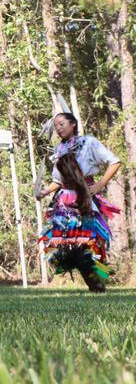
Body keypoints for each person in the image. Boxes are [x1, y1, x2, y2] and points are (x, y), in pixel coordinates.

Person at [36, 113, 123, 291]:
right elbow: (58, 181)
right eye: (56, 126)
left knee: (87, 244)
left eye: (62, 124)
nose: (58, 128)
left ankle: (97, 282)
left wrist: (100, 184)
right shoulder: (59, 150)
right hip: (65, 203)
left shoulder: (88, 143)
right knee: (64, 248)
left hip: (85, 198)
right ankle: (95, 282)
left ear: (73, 124)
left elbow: (114, 162)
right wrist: (45, 191)